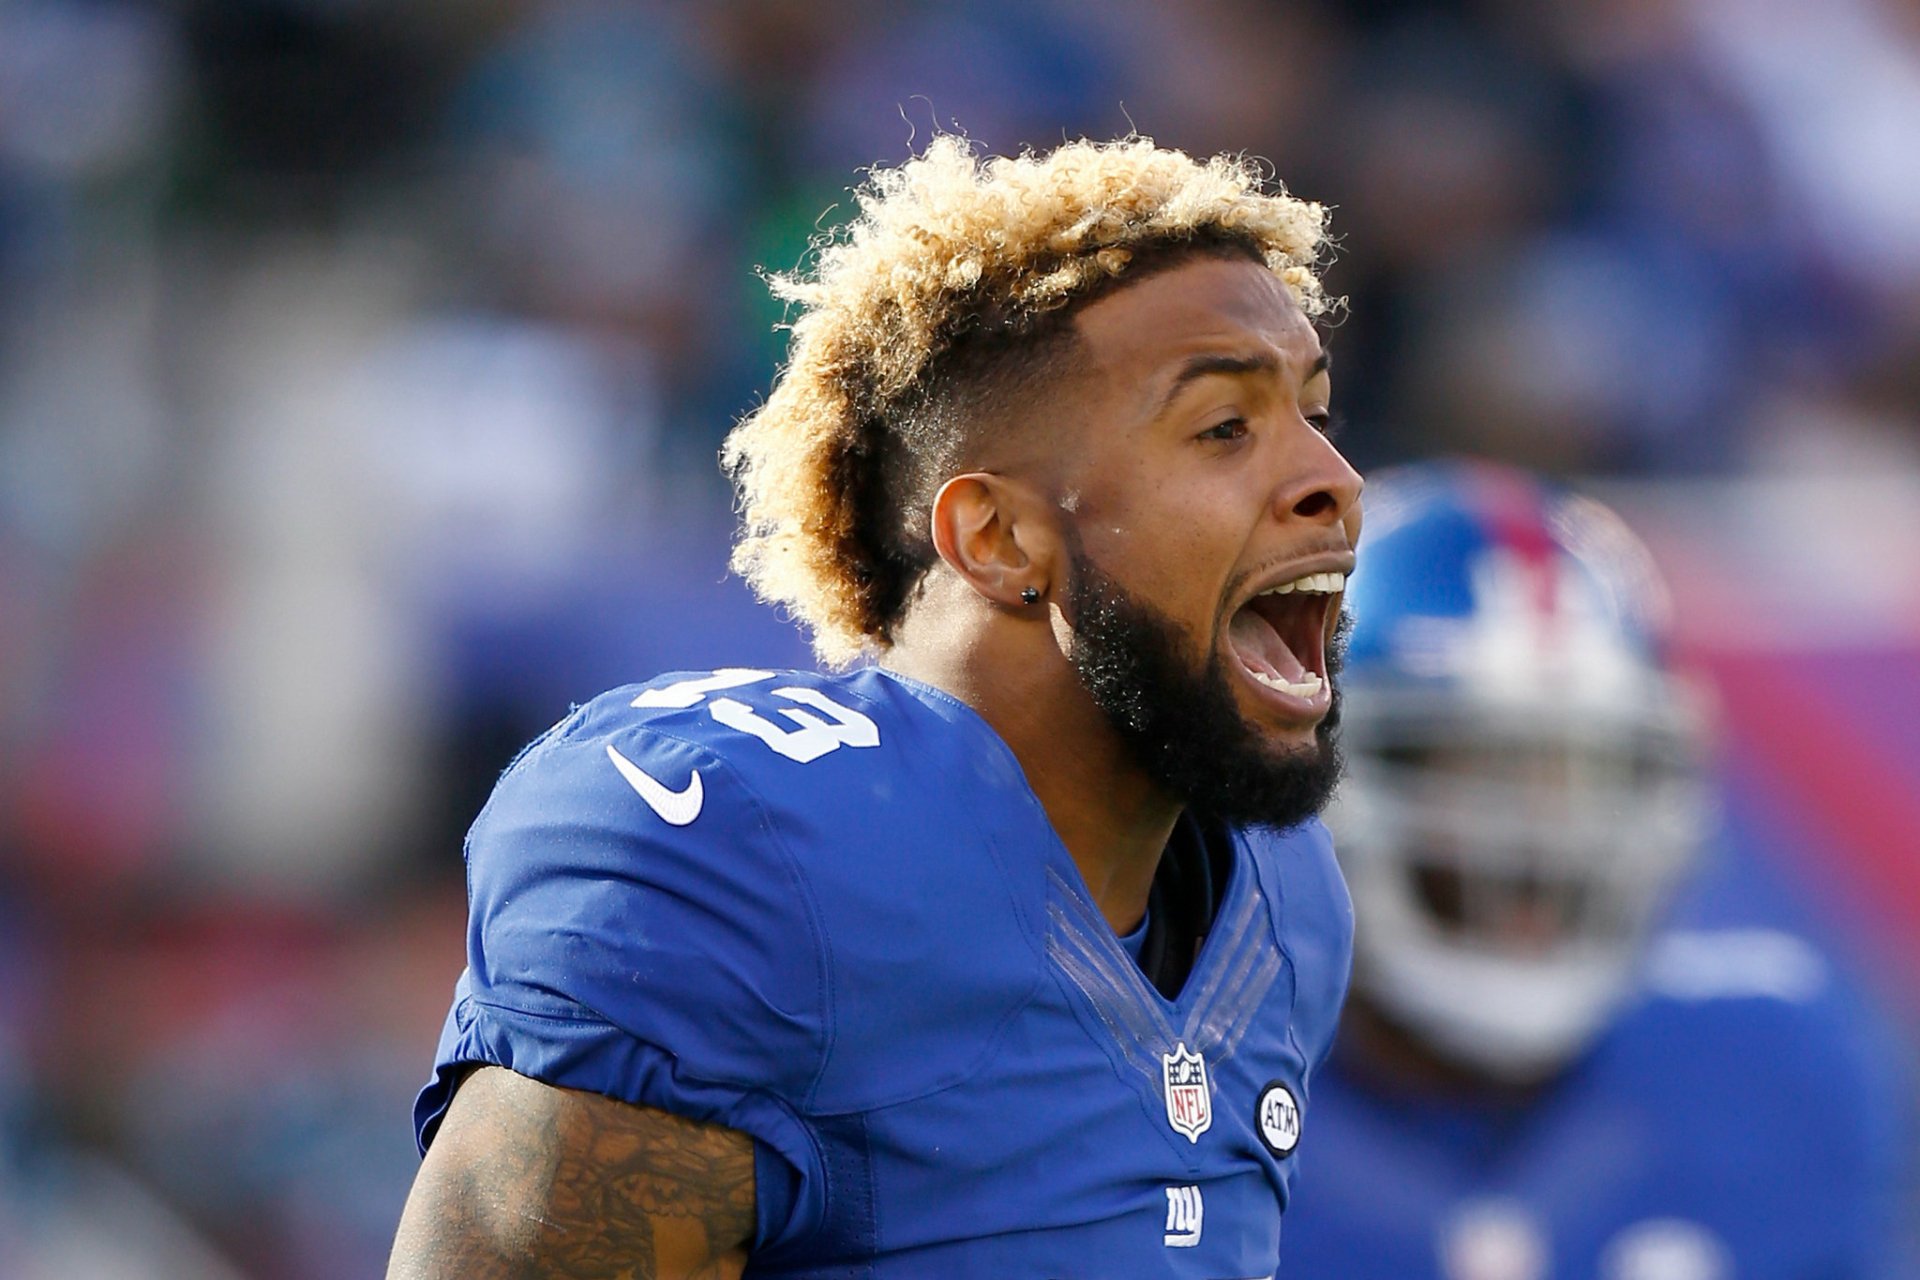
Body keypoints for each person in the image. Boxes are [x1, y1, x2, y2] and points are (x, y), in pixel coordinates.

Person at [386, 136, 1365, 1279]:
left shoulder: (1282, 906)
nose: (1333, 478)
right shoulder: (755, 855)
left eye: (1317, 414)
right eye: (1224, 428)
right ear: (998, 538)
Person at [1280, 459, 1914, 1280]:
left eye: (1586, 769)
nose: (1537, 831)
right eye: (1469, 763)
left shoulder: (1771, 1072)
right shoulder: (1183, 1100)